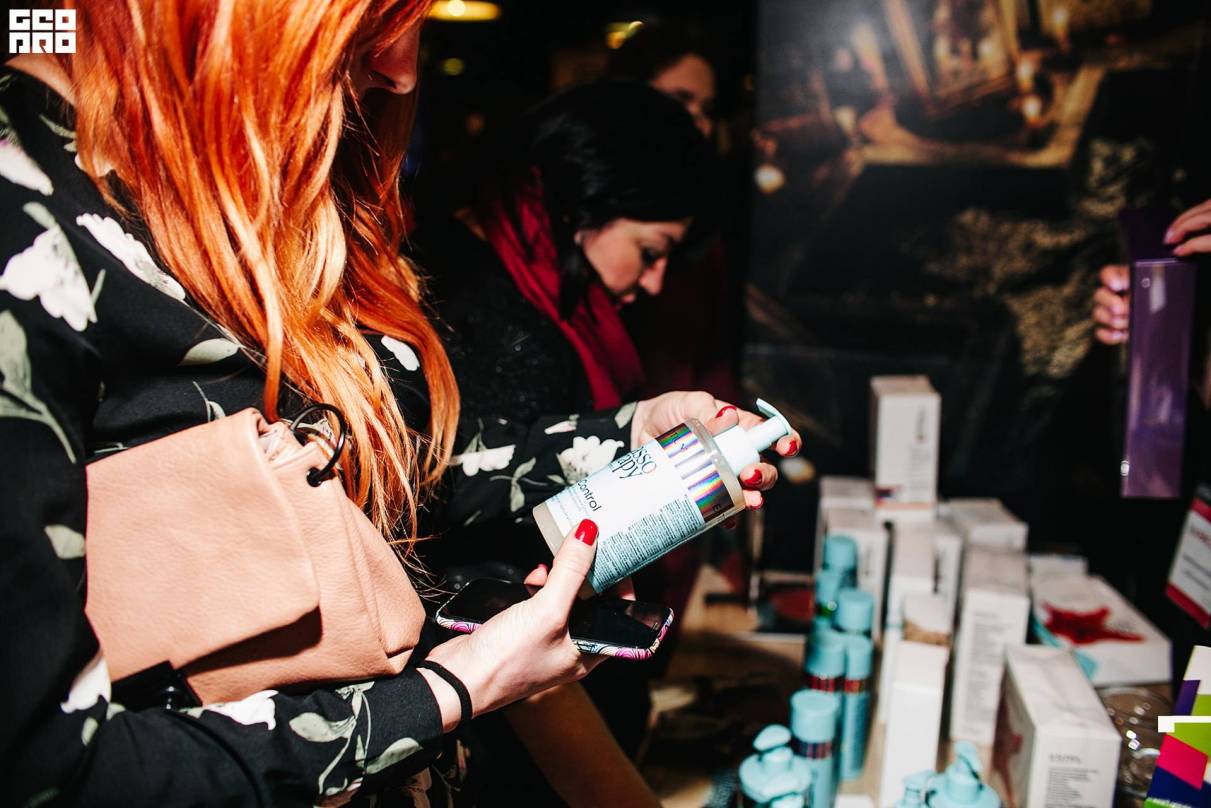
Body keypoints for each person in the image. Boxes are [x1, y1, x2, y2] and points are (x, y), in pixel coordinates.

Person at [0, 2, 800, 805]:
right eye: (375, 14)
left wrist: (626, 434)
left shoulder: (250, 189)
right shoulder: (26, 214)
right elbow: (54, 774)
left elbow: (386, 477)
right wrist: (455, 688)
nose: (403, 67)